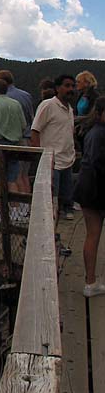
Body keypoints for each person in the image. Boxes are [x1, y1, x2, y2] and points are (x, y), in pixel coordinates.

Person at [31, 74, 77, 219]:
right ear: (57, 88)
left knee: (65, 194)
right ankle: (47, 221)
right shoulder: (48, 105)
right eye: (67, 85)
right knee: (50, 197)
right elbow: (35, 130)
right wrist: (40, 155)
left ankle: (63, 212)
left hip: (67, 158)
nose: (71, 89)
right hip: (52, 160)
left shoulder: (69, 108)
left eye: (72, 86)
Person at [75, 97, 105, 296]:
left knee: (92, 235)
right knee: (93, 235)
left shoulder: (90, 131)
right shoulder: (101, 134)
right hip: (98, 189)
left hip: (87, 188)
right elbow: (98, 163)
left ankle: (90, 282)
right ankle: (91, 282)